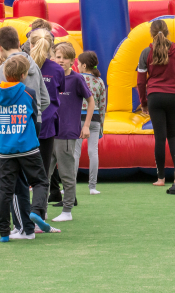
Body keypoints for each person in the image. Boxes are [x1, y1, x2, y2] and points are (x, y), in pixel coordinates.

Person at [0, 55, 53, 241]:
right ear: (23, 75)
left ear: (4, 73)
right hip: (28, 147)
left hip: (5, 150)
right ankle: (37, 211)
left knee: (6, 190)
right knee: (40, 181)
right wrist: (32, 137)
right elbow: (35, 119)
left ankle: (4, 231)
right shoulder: (29, 93)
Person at [0, 26, 50, 237]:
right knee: (35, 177)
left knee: (13, 183)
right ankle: (30, 222)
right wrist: (32, 112)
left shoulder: (3, 69)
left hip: (9, 127)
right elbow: (44, 99)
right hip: (34, 124)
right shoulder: (33, 63)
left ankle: (18, 226)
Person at [137, 19, 175, 186]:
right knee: (173, 135)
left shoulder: (146, 53)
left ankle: (160, 178)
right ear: (167, 32)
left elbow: (141, 81)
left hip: (155, 97)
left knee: (160, 138)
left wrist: (143, 102)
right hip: (174, 96)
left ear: (151, 33)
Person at [50, 43, 95, 222]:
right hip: (49, 133)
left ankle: (67, 210)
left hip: (67, 133)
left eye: (65, 58)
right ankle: (40, 210)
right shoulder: (51, 76)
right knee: (44, 174)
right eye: (58, 57)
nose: (61, 61)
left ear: (72, 61)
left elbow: (91, 101)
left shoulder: (76, 79)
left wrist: (86, 126)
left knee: (66, 174)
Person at [29, 29, 66, 208]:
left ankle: (22, 214)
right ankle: (40, 211)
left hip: (24, 124)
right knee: (43, 172)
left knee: (19, 171)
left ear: (30, 45)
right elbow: (58, 93)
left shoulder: (22, 66)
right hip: (47, 124)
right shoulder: (57, 70)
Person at [75, 51, 106, 195]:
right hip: (95, 119)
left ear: (84, 65)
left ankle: (70, 185)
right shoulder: (99, 81)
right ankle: (92, 186)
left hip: (78, 117)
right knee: (93, 152)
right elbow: (102, 105)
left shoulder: (77, 78)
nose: (77, 66)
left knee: (75, 153)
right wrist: (101, 125)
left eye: (79, 64)